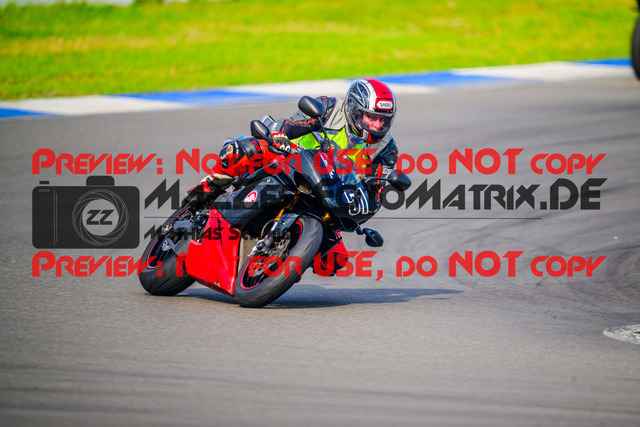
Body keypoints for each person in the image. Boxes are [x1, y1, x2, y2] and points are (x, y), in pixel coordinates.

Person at [189, 78, 399, 274]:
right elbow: (289, 124)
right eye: (372, 117)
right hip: (288, 159)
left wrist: (358, 206)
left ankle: (282, 256)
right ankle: (205, 193)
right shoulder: (330, 108)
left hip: (325, 189)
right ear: (354, 110)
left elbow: (376, 191)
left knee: (333, 261)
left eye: (383, 119)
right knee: (243, 151)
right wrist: (280, 137)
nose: (377, 125)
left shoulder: (386, 149)